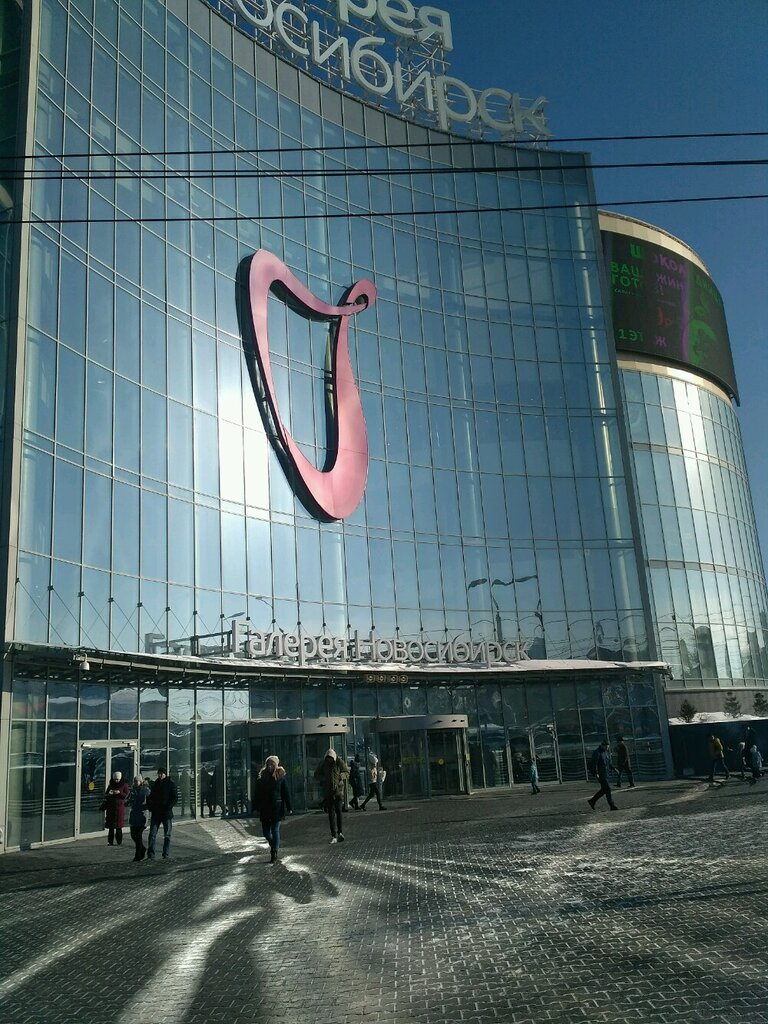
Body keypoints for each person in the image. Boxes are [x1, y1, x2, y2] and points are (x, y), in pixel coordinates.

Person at [253, 755, 292, 863]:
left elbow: (286, 793)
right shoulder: (261, 779)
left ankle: (274, 851)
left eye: (272, 764)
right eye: (268, 764)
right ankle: (273, 844)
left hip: (276, 808)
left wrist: (289, 807)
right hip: (265, 808)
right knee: (266, 833)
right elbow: (257, 795)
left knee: (275, 830)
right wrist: (255, 807)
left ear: (276, 765)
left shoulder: (280, 778)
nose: (270, 766)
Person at [314, 749, 349, 844]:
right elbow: (316, 774)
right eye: (328, 759)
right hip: (328, 792)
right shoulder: (323, 764)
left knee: (339, 812)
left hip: (338, 791)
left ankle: (340, 832)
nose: (329, 760)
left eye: (331, 758)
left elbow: (346, 772)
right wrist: (324, 779)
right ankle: (333, 835)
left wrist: (341, 776)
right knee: (331, 814)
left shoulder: (339, 762)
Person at [146, 767, 178, 859]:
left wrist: (168, 807)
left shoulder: (170, 783)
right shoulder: (155, 784)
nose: (160, 775)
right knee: (152, 834)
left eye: (161, 774)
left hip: (166, 813)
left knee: (167, 834)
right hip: (156, 812)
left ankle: (165, 853)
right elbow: (151, 796)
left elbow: (174, 797)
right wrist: (151, 806)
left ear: (165, 774)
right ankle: (151, 854)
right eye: (159, 774)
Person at [588, 741, 618, 811]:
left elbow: (608, 762)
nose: (607, 748)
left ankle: (592, 801)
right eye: (606, 747)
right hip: (601, 774)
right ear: (602, 745)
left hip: (605, 773)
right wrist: (596, 773)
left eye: (608, 747)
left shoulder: (605, 752)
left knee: (604, 790)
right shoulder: (597, 753)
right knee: (608, 789)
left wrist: (614, 768)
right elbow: (594, 764)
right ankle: (612, 805)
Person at [127, 774, 151, 862]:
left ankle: (138, 855)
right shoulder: (132, 791)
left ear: (141, 781)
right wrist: (128, 802)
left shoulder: (146, 790)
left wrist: (147, 806)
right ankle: (142, 848)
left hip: (142, 815)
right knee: (133, 835)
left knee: (138, 836)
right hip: (134, 815)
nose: (135, 782)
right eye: (134, 781)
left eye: (137, 781)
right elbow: (128, 799)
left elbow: (150, 801)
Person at [103, 770, 130, 846]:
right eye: (115, 779)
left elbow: (127, 795)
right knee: (111, 827)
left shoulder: (124, 785)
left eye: (117, 779)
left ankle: (119, 841)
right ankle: (110, 841)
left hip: (119, 808)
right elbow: (106, 794)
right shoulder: (111, 784)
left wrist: (119, 792)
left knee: (118, 826)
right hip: (111, 808)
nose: (116, 781)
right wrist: (109, 793)